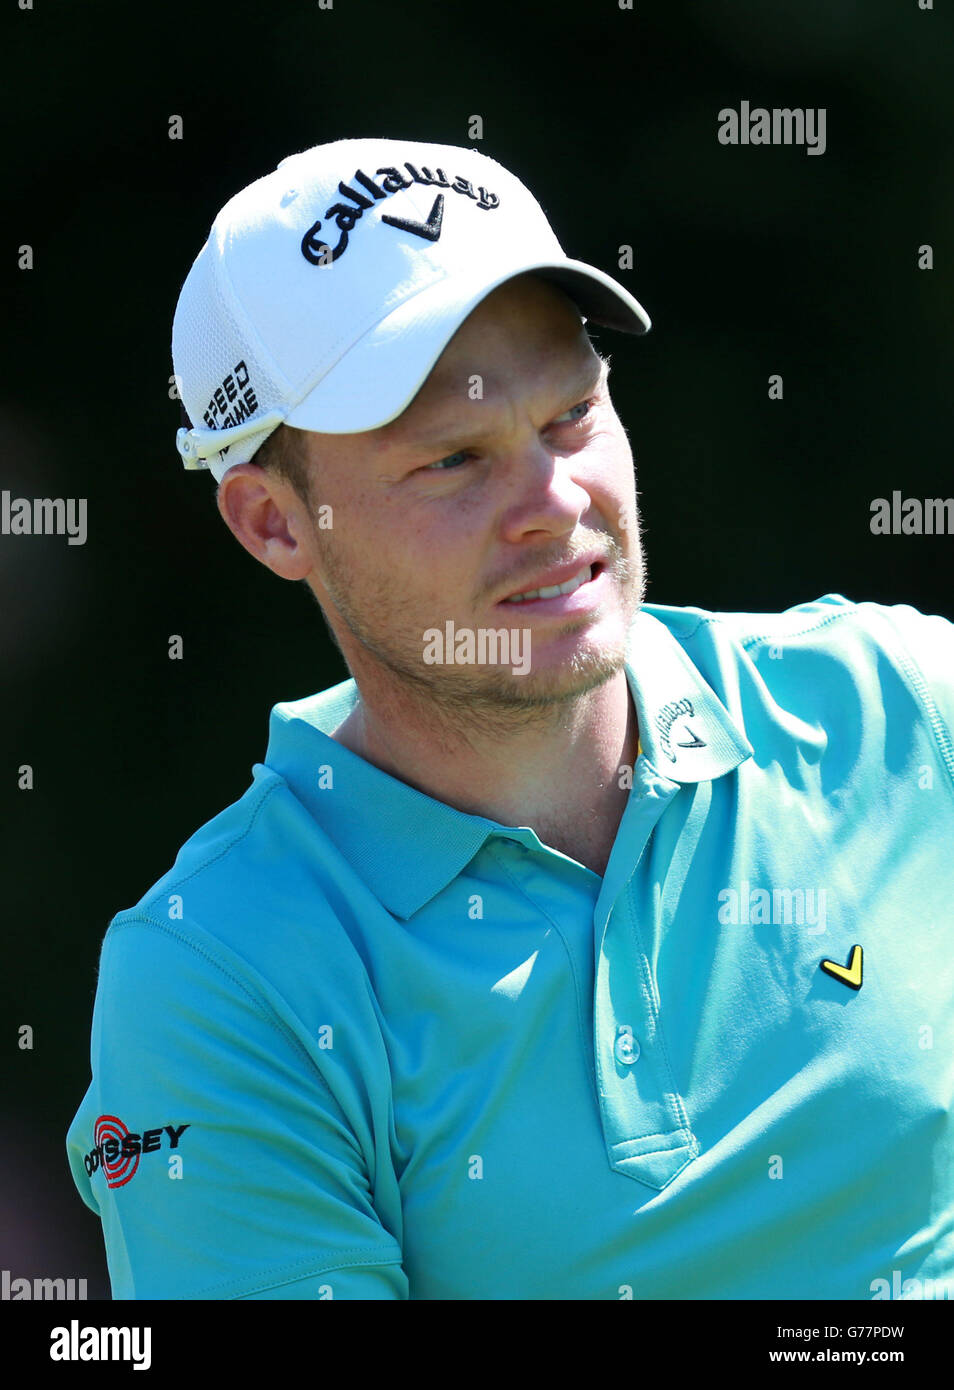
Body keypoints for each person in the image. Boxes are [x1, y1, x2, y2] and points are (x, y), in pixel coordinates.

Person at [67, 137, 954, 1301]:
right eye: (453, 459)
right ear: (274, 524)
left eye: (573, 414)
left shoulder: (901, 703)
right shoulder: (220, 977)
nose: (552, 502)